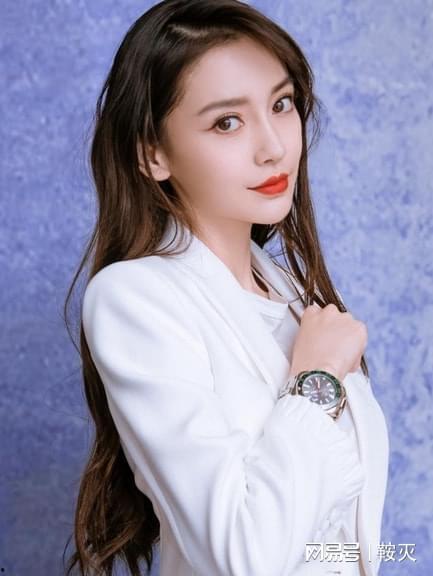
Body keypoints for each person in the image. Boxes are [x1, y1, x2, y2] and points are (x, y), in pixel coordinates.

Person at [64, 1, 389, 575]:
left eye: (280, 104)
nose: (273, 147)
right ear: (152, 154)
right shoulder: (133, 299)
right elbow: (242, 557)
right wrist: (316, 380)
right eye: (227, 122)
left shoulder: (293, 299)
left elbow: (344, 544)